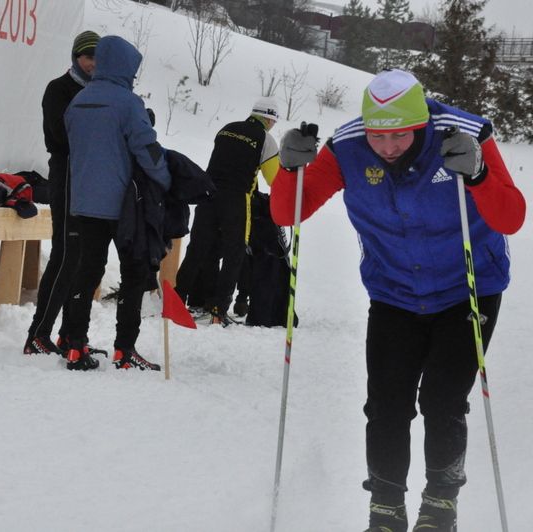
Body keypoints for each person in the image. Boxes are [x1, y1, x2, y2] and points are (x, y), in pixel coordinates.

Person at [271, 69, 526, 531]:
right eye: (377, 136)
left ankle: (440, 507)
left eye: (400, 136)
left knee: (443, 400)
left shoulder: (466, 135)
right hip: (394, 291)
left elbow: (510, 217)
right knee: (386, 404)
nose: (386, 147)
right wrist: (290, 169)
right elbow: (288, 213)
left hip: (469, 288)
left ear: (422, 123)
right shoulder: (347, 147)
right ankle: (385, 510)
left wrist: (480, 174)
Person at [61, 35, 171, 371]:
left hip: (83, 202)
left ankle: (75, 345)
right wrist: (165, 179)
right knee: (134, 273)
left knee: (87, 270)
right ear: (124, 66)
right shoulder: (128, 104)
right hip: (124, 206)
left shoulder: (77, 102)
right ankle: (125, 350)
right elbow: (147, 150)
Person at [23, 30, 100, 356]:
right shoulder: (60, 89)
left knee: (83, 260)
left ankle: (70, 335)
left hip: (92, 181)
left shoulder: (103, 92)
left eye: (98, 58)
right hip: (67, 175)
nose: (92, 63)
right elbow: (59, 135)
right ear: (75, 58)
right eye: (87, 57)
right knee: (66, 255)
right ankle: (38, 334)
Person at [174, 96, 280, 325]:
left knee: (198, 250)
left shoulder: (227, 129)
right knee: (234, 254)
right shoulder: (266, 139)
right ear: (270, 119)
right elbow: (274, 179)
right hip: (237, 199)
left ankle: (176, 300)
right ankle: (218, 309)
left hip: (208, 193)